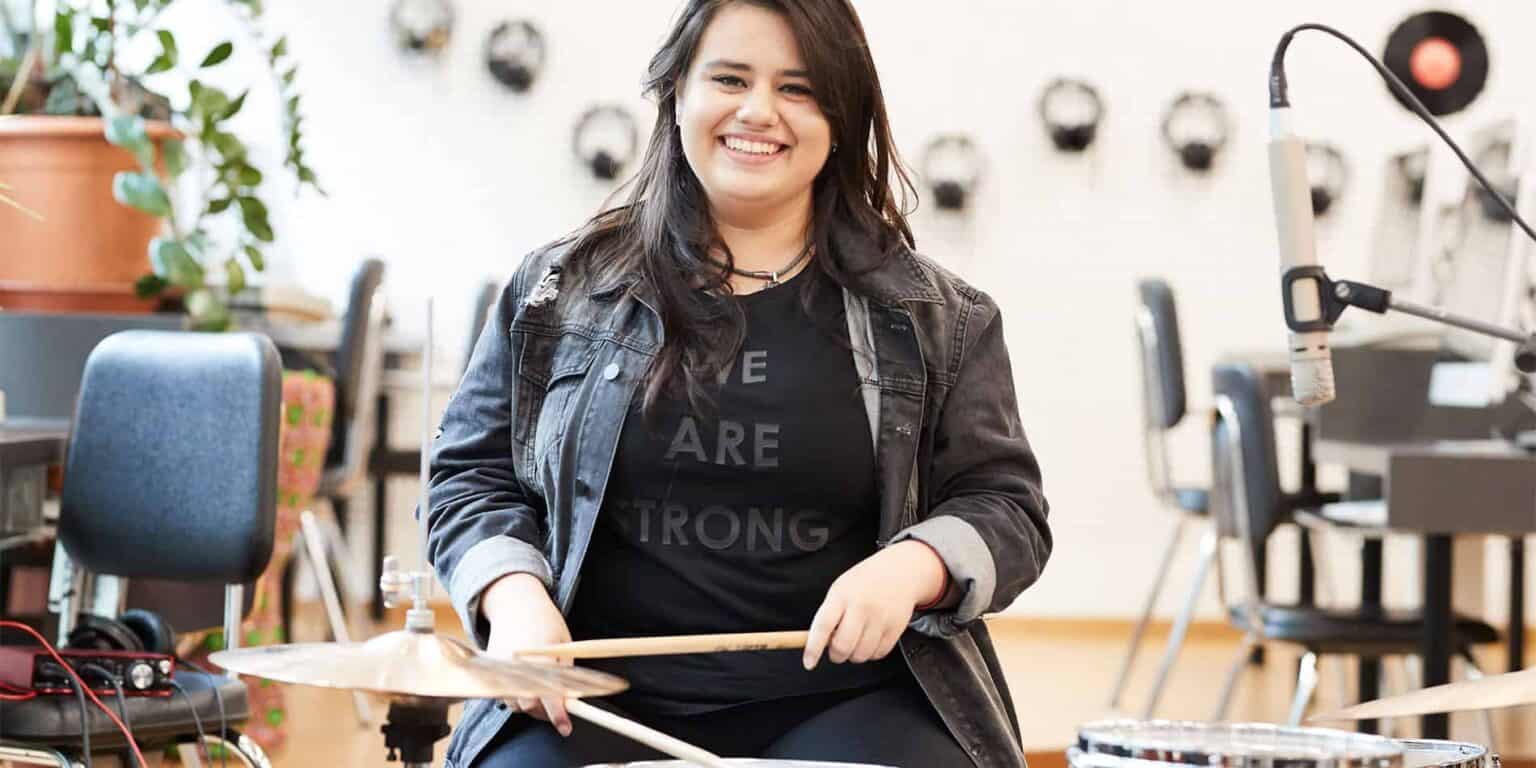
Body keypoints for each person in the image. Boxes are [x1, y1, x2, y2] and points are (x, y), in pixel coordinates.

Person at [427, 1, 1051, 765]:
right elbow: (468, 476)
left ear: (841, 116)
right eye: (729, 77)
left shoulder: (940, 318)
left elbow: (1007, 507)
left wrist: (913, 568)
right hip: (586, 698)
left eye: (798, 88)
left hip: (849, 700)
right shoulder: (557, 292)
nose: (759, 111)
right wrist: (513, 597)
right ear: (678, 93)